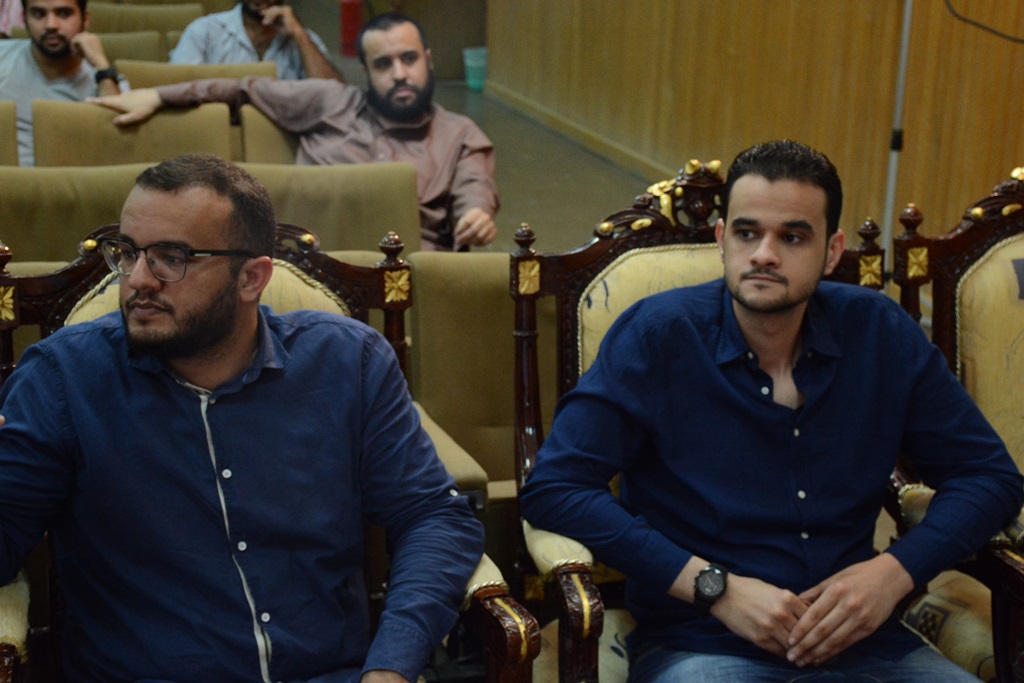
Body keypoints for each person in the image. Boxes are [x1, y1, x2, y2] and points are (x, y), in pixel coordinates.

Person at [518, 140, 1024, 682]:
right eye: (747, 233)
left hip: (866, 644)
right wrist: (715, 588)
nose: (764, 254)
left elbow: (989, 477)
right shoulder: (658, 336)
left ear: (831, 252)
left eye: (792, 237)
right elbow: (556, 487)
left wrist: (894, 573)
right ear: (721, 239)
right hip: (704, 646)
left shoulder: (879, 332)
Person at [0, 153, 484, 682]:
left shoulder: (348, 363)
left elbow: (432, 516)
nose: (138, 280)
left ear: (252, 278)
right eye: (129, 253)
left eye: (171, 258)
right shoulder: (62, 381)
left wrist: (391, 666)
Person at [89, 13, 498, 252]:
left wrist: (475, 215)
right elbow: (243, 87)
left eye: (409, 59)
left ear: (428, 60)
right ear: (366, 71)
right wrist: (158, 96)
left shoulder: (459, 133)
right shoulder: (330, 100)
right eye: (383, 64)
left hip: (400, 272)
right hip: (307, 262)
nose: (400, 74)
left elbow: (475, 188)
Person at [0, 0, 122, 166]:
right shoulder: (3, 56)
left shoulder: (105, 79)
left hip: (73, 179)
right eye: (39, 14)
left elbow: (117, 144)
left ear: (85, 20)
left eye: (64, 14)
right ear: (24, 18)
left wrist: (101, 65)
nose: (51, 25)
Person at [168, 0, 342, 81]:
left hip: (283, 137)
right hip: (221, 132)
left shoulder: (304, 39)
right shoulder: (204, 31)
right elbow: (176, 90)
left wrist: (299, 34)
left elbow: (336, 101)